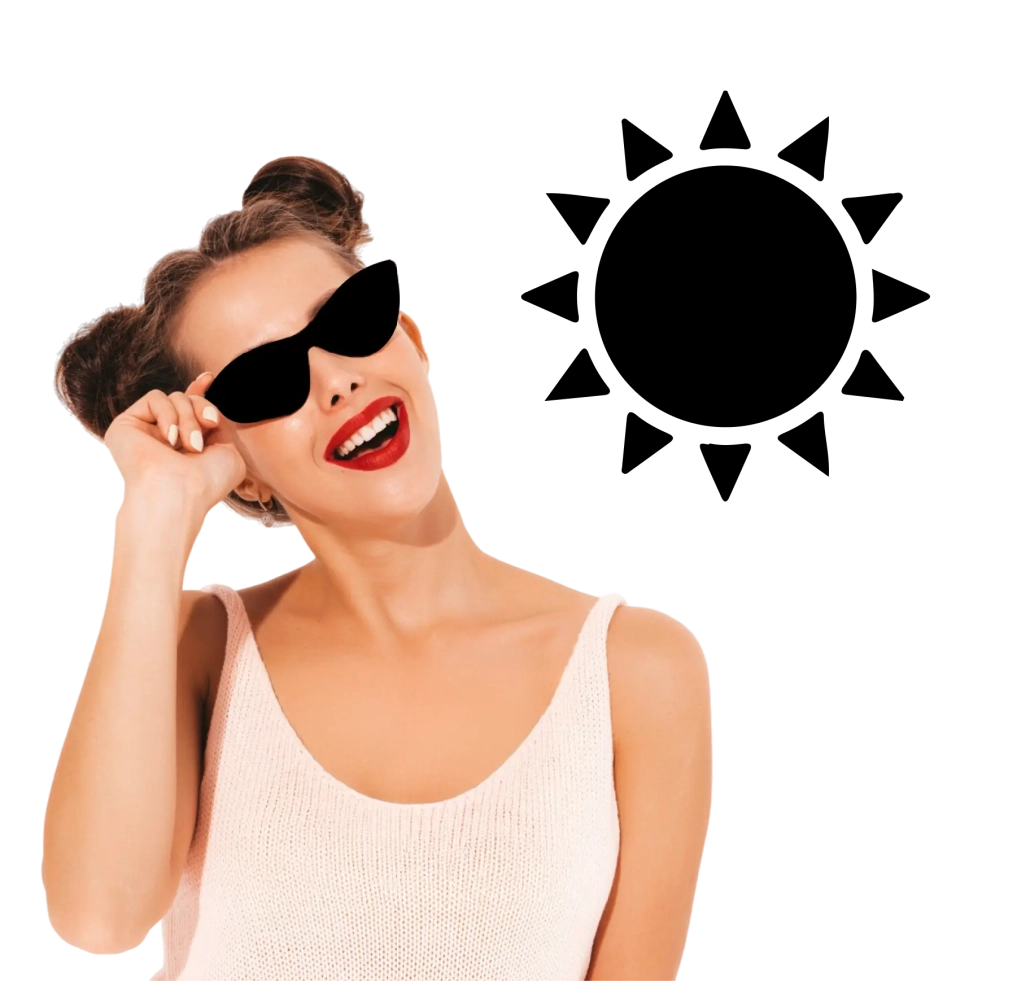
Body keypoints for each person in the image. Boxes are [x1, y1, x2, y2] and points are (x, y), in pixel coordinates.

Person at [42, 155, 713, 980]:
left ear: (412, 339)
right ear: (242, 471)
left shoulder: (635, 672)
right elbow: (98, 917)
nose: (336, 381)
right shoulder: (202, 653)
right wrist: (154, 515)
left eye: (352, 320)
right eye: (266, 379)